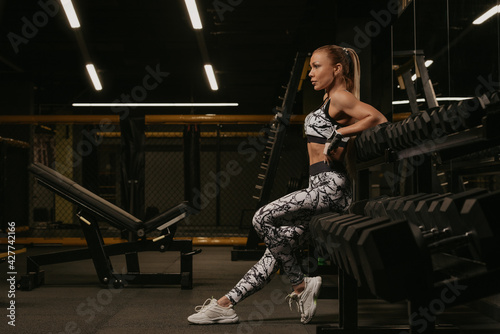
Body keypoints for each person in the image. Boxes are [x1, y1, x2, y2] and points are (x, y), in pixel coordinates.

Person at [187, 44, 388, 325]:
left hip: (330, 188)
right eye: (311, 68)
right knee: (275, 251)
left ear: (337, 69)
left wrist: (342, 132)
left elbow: (379, 118)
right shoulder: (329, 101)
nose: (311, 74)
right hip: (320, 187)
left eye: (317, 66)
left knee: (262, 218)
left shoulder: (340, 97)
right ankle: (225, 305)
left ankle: (300, 286)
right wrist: (340, 134)